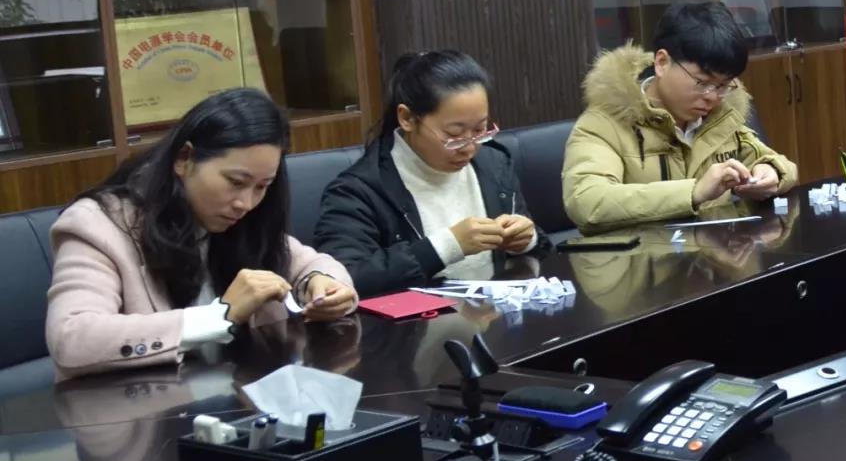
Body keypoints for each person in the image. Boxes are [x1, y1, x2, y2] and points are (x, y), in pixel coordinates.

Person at [46, 88, 358, 381]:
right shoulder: (98, 226)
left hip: (242, 400)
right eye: (236, 182)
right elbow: (71, 338)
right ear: (184, 158)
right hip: (144, 411)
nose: (246, 203)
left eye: (262, 187)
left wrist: (324, 285)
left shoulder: (243, 220)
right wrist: (218, 316)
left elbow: (312, 263)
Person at [315, 50, 547, 297]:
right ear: (407, 118)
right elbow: (345, 279)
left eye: (480, 130)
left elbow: (537, 247)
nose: (469, 148)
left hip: (493, 314)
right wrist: (446, 246)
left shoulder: (494, 163)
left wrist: (526, 239)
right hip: (417, 321)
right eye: (454, 135)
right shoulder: (358, 191)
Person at [562, 1, 798, 234]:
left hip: (715, 253)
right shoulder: (604, 124)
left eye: (723, 86)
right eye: (702, 83)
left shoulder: (720, 117)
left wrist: (770, 173)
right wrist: (693, 192)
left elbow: (780, 165)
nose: (713, 97)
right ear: (662, 63)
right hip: (644, 256)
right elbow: (587, 203)